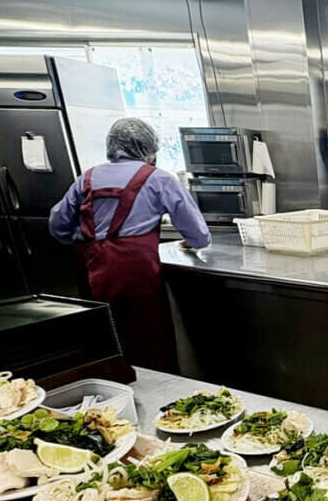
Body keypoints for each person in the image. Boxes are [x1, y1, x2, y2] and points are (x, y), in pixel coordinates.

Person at [49, 117, 211, 372]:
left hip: (94, 273)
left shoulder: (86, 178)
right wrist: (191, 243)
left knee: (109, 340)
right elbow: (199, 235)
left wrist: (89, 242)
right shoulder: (159, 179)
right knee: (150, 341)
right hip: (138, 274)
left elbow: (57, 225)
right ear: (149, 151)